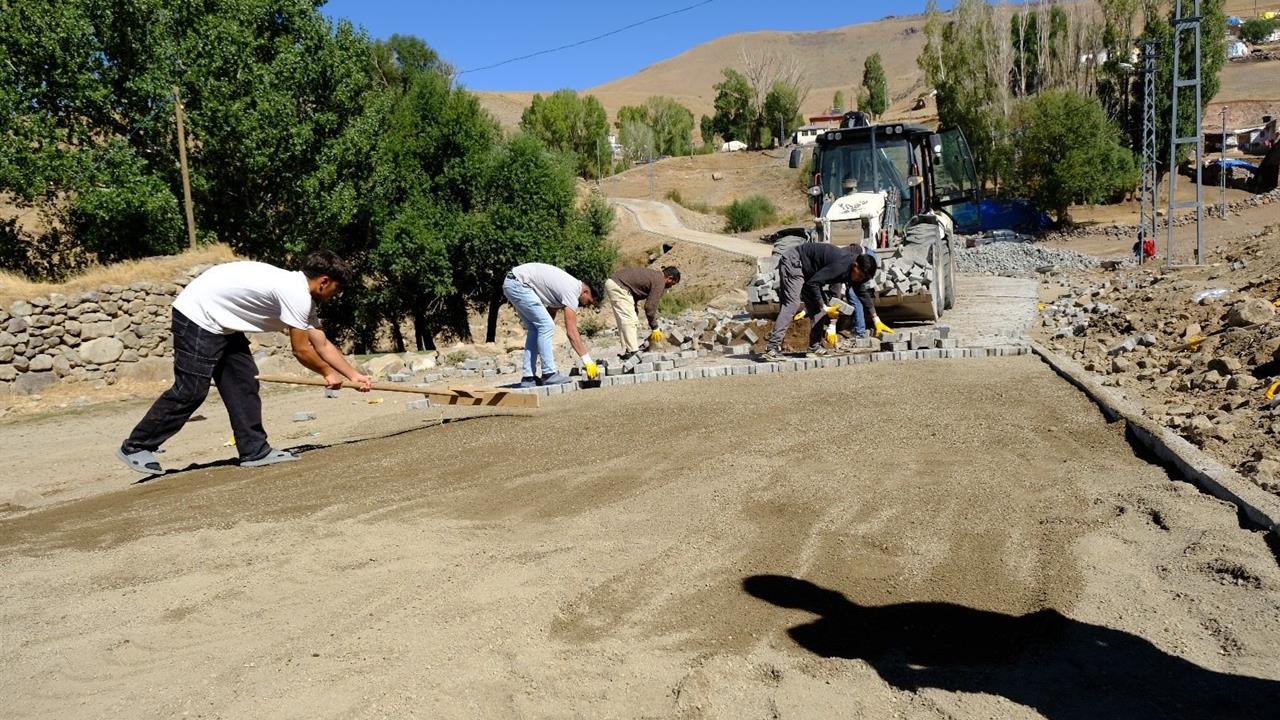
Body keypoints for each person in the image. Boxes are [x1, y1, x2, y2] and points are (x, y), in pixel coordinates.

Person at [117, 250, 372, 475]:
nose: (334, 295)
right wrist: (327, 374)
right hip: (198, 315)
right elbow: (301, 349)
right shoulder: (296, 294)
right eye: (335, 289)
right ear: (324, 281)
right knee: (191, 389)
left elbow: (322, 343)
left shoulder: (301, 294)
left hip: (224, 322)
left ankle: (254, 450)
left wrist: (353, 375)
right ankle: (136, 446)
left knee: (243, 382)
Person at [760, 243, 886, 362]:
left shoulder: (853, 272)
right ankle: (772, 348)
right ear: (855, 266)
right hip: (794, 262)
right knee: (792, 303)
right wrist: (824, 306)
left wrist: (876, 319)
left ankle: (814, 347)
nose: (860, 279)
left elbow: (862, 293)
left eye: (863, 278)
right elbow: (814, 284)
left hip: (808, 272)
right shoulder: (841, 266)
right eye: (860, 276)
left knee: (818, 310)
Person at [502, 262, 602, 388]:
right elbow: (571, 331)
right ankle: (549, 374)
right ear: (586, 292)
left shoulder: (565, 289)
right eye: (589, 302)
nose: (587, 305)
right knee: (546, 326)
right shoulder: (573, 291)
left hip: (512, 283)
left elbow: (550, 314)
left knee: (536, 329)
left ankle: (528, 378)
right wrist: (588, 361)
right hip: (519, 284)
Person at [604, 265, 681, 359]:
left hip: (614, 283)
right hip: (619, 286)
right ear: (669, 278)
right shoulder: (660, 281)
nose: (670, 286)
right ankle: (633, 352)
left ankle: (628, 350)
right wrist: (655, 327)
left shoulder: (654, 276)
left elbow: (634, 288)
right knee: (629, 320)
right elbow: (649, 307)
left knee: (624, 320)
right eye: (673, 283)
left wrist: (634, 307)